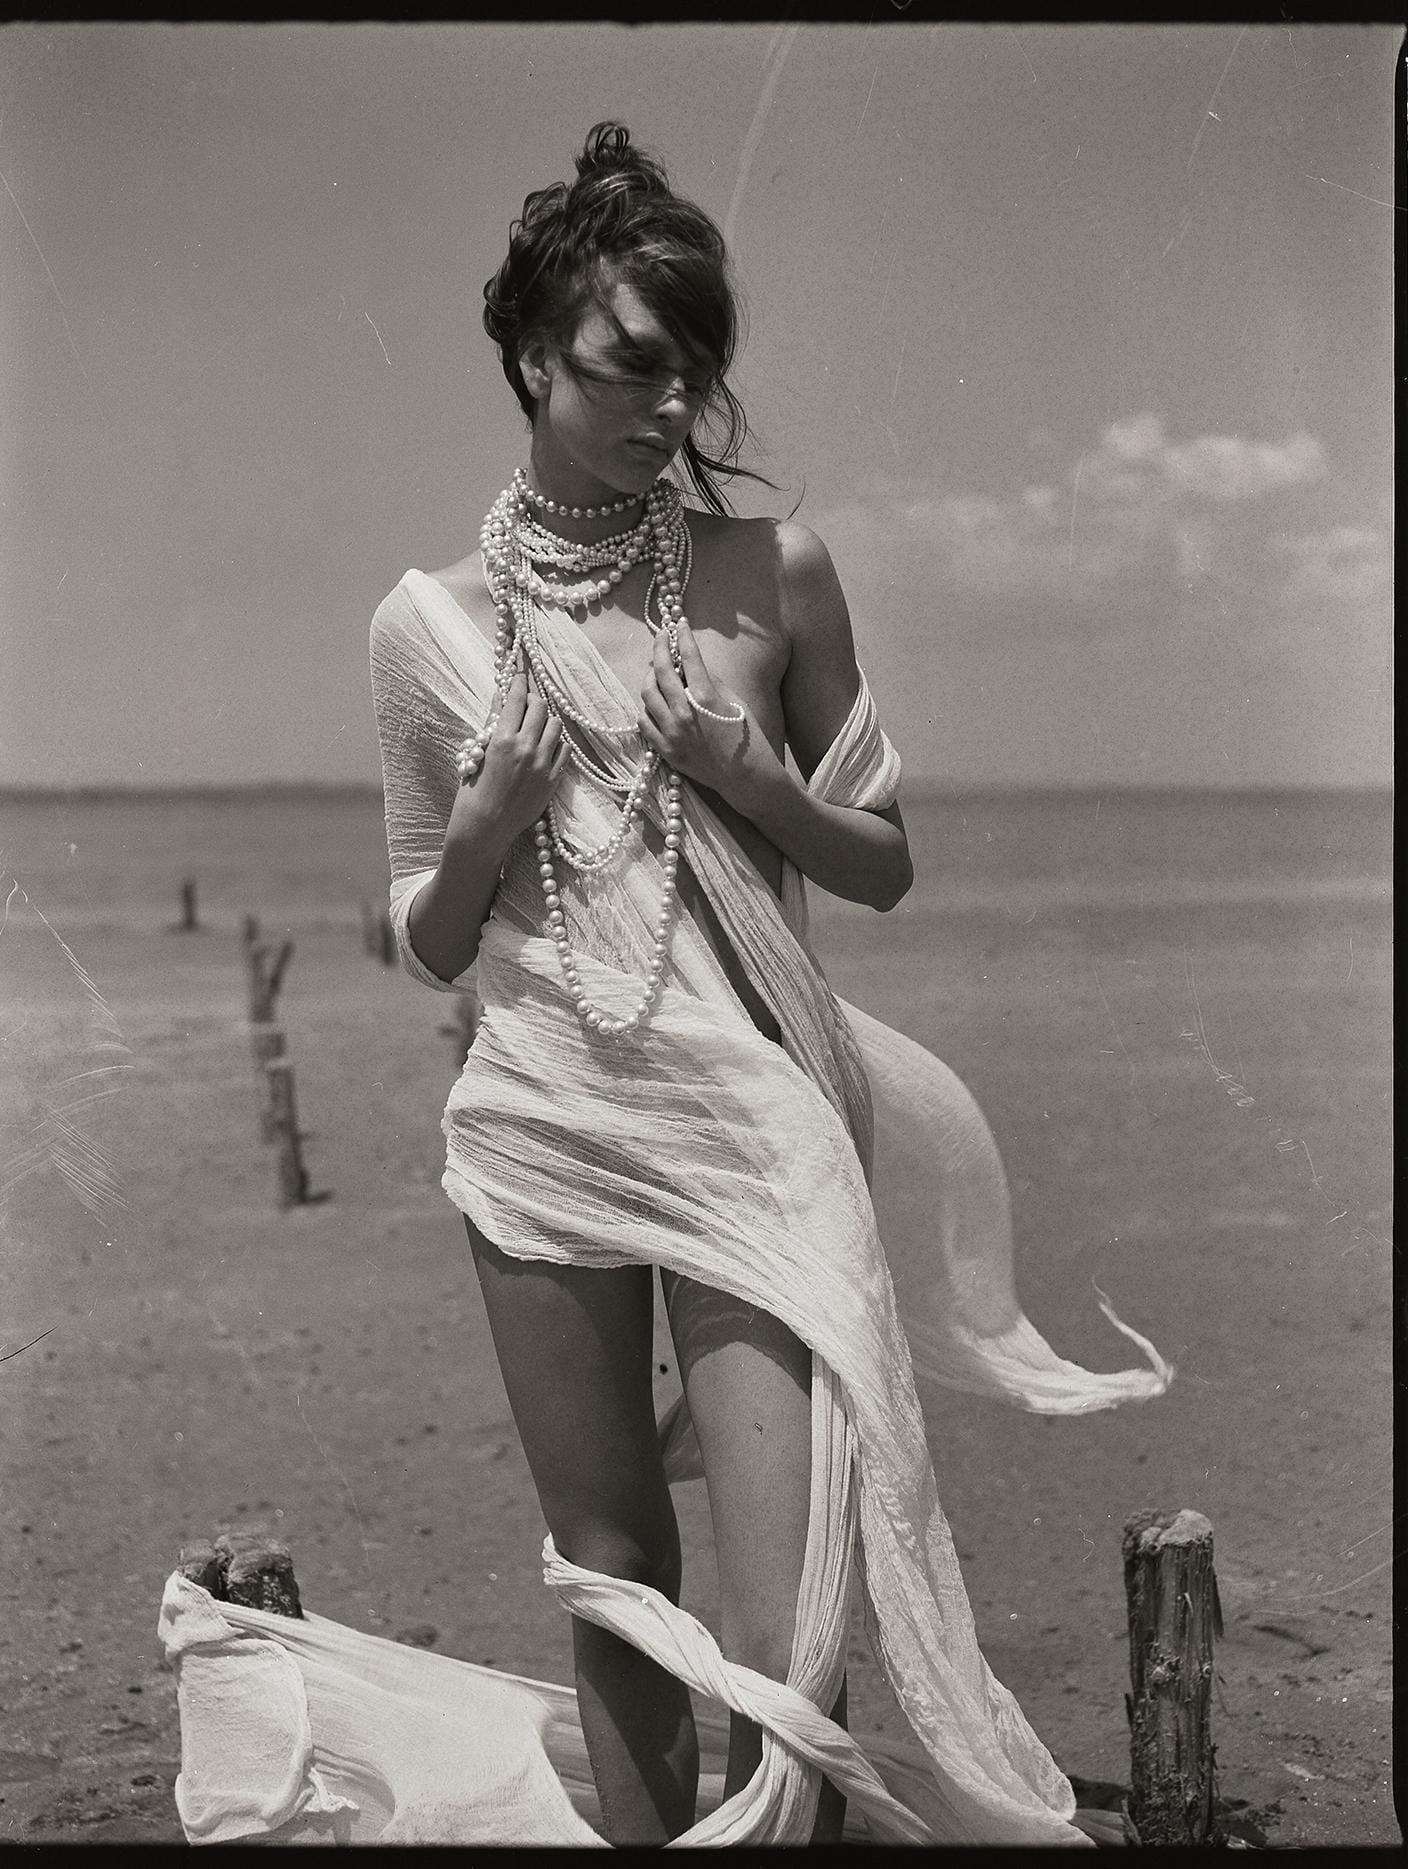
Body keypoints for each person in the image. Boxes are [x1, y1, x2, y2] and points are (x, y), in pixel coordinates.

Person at [367, 121, 1170, 1847]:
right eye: (631, 365)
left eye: (696, 370)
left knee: (785, 1610)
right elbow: (423, 938)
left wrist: (754, 780)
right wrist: (490, 815)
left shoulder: (773, 572)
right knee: (611, 1569)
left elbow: (879, 860)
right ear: (529, 356)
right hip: (540, 1127)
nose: (674, 406)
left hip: (757, 1130)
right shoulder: (422, 630)